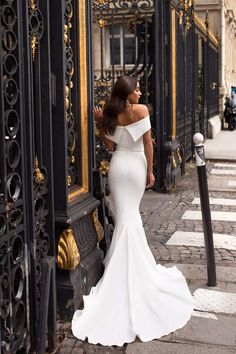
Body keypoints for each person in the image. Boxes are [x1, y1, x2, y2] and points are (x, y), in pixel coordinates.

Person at [72, 75, 193, 346]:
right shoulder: (141, 110)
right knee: (130, 218)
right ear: (127, 94)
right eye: (136, 88)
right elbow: (148, 143)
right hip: (136, 165)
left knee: (127, 217)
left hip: (117, 167)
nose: (140, 91)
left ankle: (118, 266)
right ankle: (130, 273)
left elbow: (110, 146)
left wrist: (100, 122)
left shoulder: (111, 113)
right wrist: (150, 171)